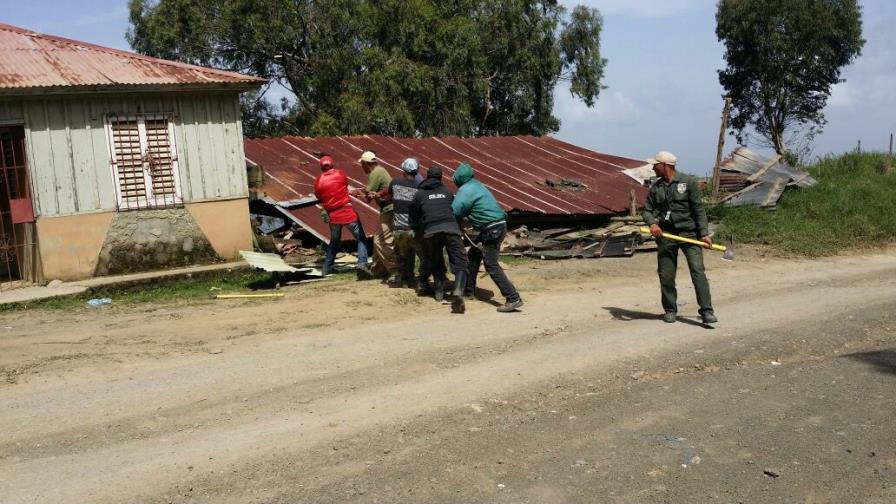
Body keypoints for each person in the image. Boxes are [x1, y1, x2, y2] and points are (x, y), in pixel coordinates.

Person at [641, 150, 717, 324]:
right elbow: (646, 210)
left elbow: (698, 210)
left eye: (655, 164)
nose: (653, 167)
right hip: (666, 236)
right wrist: (652, 224)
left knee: (698, 272)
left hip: (690, 235)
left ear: (665, 165)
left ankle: (706, 311)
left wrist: (704, 233)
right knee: (666, 274)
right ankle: (670, 309)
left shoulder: (688, 182)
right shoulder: (656, 187)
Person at [451, 162, 523, 313]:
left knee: (491, 264)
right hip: (497, 226)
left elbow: (455, 211)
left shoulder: (465, 190)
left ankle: (513, 297)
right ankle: (469, 290)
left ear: (459, 178)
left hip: (491, 229)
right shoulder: (478, 185)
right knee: (473, 255)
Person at [409, 166, 469, 314]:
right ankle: (458, 292)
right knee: (460, 261)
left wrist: (419, 229)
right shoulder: (447, 192)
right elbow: (456, 211)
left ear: (427, 177)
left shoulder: (419, 194)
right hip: (451, 229)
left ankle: (439, 293)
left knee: (436, 260)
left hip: (431, 231)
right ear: (441, 178)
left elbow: (413, 217)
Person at [313, 155, 372, 280]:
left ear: (321, 167)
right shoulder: (341, 174)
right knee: (361, 238)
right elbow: (345, 186)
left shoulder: (318, 181)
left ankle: (326, 267)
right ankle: (362, 263)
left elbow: (318, 196)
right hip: (347, 212)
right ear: (332, 164)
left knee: (334, 241)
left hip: (333, 215)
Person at [353, 150, 398, 284]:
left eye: (362, 164)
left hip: (388, 209)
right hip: (388, 209)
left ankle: (396, 271)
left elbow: (367, 197)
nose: (362, 167)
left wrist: (356, 192)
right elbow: (369, 193)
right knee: (378, 240)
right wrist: (363, 192)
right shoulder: (380, 170)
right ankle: (377, 270)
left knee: (381, 241)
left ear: (367, 164)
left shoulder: (375, 173)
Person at [387, 158, 424, 288]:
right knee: (422, 255)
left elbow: (388, 197)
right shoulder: (420, 188)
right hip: (414, 229)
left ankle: (403, 281)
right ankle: (420, 281)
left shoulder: (395, 183)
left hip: (399, 229)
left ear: (403, 170)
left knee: (402, 256)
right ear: (416, 171)